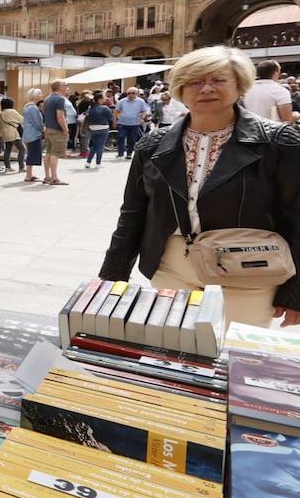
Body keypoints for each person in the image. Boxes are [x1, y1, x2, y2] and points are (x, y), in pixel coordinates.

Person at [100, 46, 300, 328]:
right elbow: (133, 212)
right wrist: (112, 276)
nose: (206, 88)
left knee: (231, 358)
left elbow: (296, 217)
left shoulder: (279, 142)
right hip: (172, 267)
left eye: (218, 80)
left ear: (240, 84)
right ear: (180, 89)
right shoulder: (153, 144)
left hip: (248, 269)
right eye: (194, 81)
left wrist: (295, 292)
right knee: (168, 353)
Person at [42, 80, 69, 186]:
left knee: (48, 153)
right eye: (65, 85)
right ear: (59, 87)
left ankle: (47, 176)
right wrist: (65, 129)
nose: (67, 87)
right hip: (57, 130)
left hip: (48, 128)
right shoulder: (60, 99)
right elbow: (60, 117)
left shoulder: (48, 98)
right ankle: (54, 178)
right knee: (55, 154)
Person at [114, 86, 150, 157]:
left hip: (134, 124)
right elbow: (116, 111)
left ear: (136, 94)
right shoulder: (121, 101)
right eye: (128, 93)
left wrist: (142, 118)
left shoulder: (141, 101)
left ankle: (129, 153)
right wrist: (118, 118)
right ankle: (120, 152)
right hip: (122, 123)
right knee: (121, 137)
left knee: (132, 139)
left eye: (133, 93)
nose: (130, 94)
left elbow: (144, 111)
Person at [82, 95, 114, 168]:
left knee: (94, 146)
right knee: (100, 146)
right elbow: (110, 117)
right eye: (103, 98)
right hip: (103, 127)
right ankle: (98, 163)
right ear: (99, 100)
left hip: (92, 128)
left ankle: (88, 162)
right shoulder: (105, 108)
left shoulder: (91, 108)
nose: (105, 99)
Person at [22, 89, 45, 183]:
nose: (41, 95)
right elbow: (37, 123)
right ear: (35, 96)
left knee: (31, 153)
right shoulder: (33, 108)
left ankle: (29, 174)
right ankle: (28, 175)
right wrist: (43, 129)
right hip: (33, 134)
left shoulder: (28, 106)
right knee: (32, 154)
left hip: (29, 133)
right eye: (40, 94)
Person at [0, 98, 25, 171]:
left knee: (8, 149)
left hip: (4, 132)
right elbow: (22, 119)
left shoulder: (2, 112)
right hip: (12, 132)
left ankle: (7, 167)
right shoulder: (12, 111)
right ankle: (21, 166)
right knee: (22, 148)